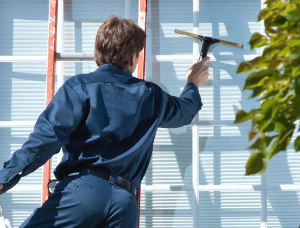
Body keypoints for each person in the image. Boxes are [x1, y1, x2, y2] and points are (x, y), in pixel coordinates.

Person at [0, 16, 209, 227]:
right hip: (125, 205)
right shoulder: (151, 96)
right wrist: (192, 82)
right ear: (133, 59)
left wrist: (4, 178)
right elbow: (186, 111)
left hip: (83, 196)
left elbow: (44, 140)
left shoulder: (80, 88)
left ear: (97, 54)